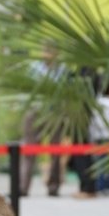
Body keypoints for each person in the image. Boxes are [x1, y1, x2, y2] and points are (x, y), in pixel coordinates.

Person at [20, 43, 65, 197]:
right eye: (45, 50)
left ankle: (53, 186)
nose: (48, 53)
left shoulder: (62, 70)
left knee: (55, 151)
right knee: (29, 149)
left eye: (51, 50)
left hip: (54, 113)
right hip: (35, 111)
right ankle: (23, 187)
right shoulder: (33, 68)